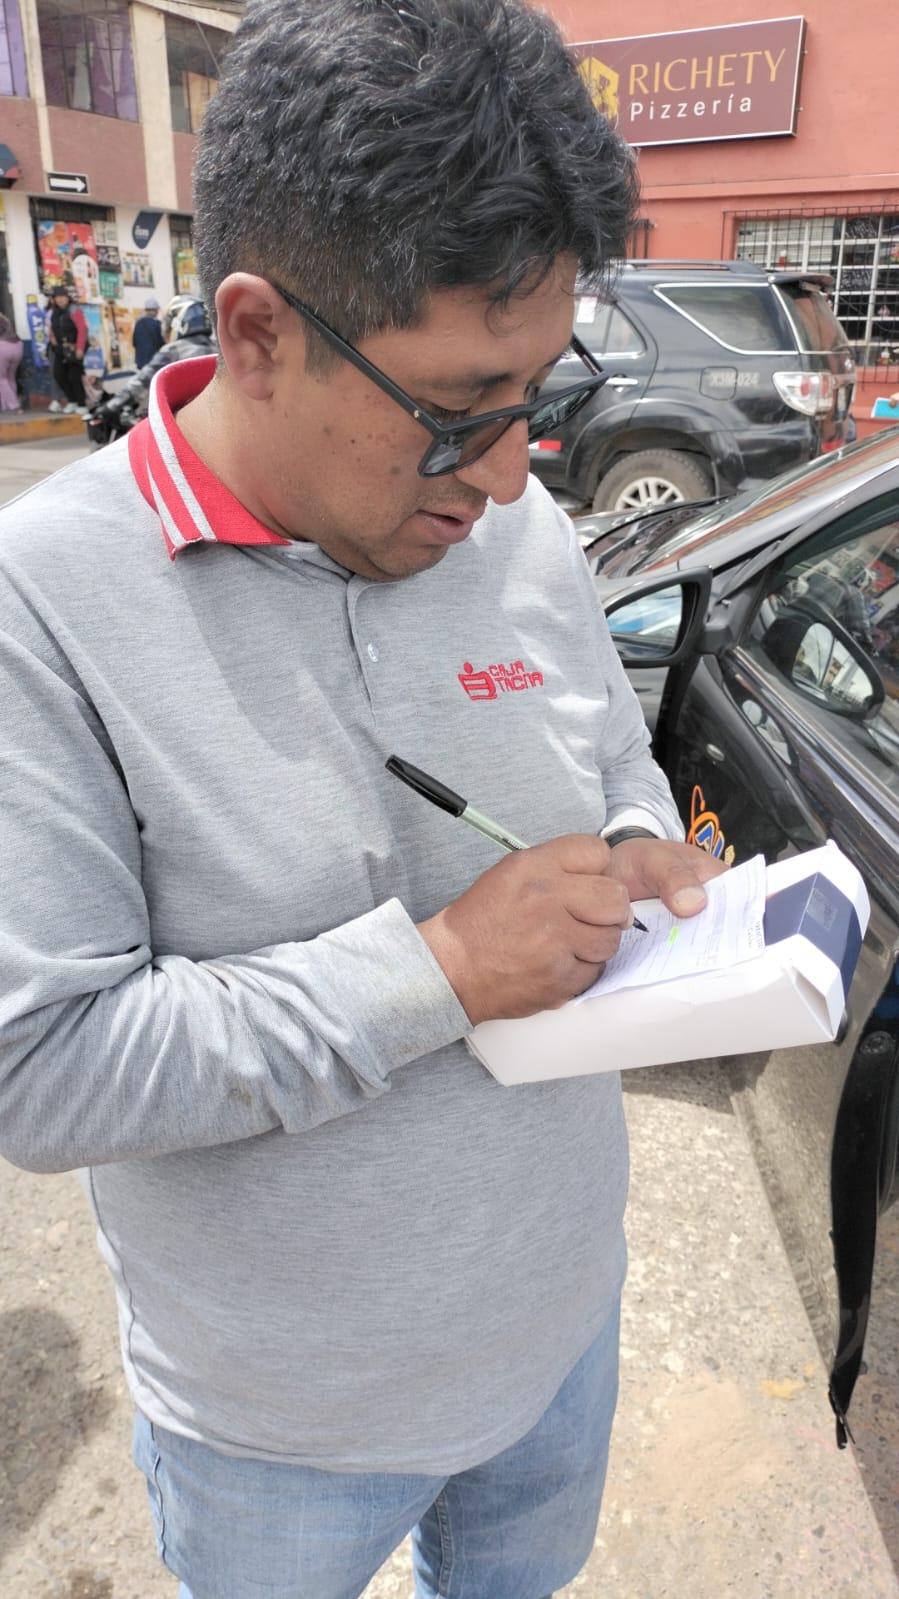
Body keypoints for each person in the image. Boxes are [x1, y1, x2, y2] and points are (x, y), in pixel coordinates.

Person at [0, 4, 725, 1596]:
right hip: (280, 1422)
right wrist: (439, 970)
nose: (508, 475)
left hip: (555, 1326)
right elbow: (41, 1071)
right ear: (257, 332)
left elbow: (603, 748)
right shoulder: (44, 601)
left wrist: (630, 840)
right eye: (457, 410)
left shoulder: (511, 522)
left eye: (539, 395)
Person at [91, 295, 215, 432]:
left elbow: (143, 380)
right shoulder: (218, 349)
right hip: (215, 423)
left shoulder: (174, 350)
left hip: (185, 425)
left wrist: (111, 406)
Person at [46, 285, 87, 412]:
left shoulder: (74, 310)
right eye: (57, 297)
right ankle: (72, 400)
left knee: (74, 376)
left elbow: (82, 330)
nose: (60, 300)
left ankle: (81, 404)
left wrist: (80, 348)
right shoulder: (54, 313)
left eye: (62, 297)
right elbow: (52, 330)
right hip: (60, 349)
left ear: (68, 297)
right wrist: (54, 344)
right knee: (59, 375)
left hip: (74, 348)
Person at [132, 295, 165, 367]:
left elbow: (134, 342)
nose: (157, 312)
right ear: (154, 311)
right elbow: (161, 343)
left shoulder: (138, 323)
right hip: (153, 362)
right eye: (156, 310)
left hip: (140, 361)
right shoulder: (157, 324)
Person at [0, 311, 23, 411]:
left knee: (1, 379)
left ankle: (15, 406)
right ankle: (6, 405)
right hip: (17, 346)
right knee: (10, 377)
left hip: (2, 347)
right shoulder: (5, 319)